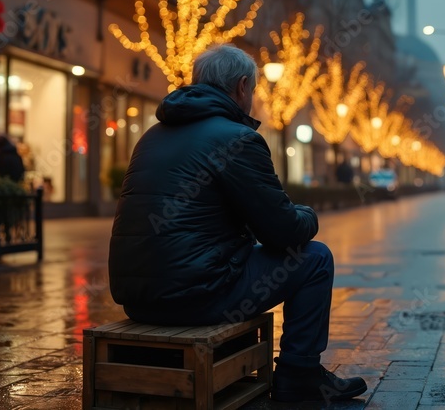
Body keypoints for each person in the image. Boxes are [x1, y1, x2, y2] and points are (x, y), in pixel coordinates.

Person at [109, 45, 366, 403]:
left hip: (137, 298)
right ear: (243, 86)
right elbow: (283, 232)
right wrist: (308, 213)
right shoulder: (237, 138)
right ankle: (299, 374)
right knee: (315, 258)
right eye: (254, 90)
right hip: (197, 296)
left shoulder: (150, 136)